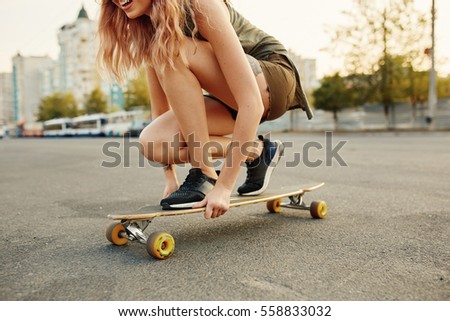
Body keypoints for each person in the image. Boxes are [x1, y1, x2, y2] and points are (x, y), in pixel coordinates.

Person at [97, 0, 312, 219]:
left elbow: (252, 103)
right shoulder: (153, 31)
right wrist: (170, 178)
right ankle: (258, 151)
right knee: (153, 142)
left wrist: (224, 187)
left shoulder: (200, 4)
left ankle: (205, 173)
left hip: (270, 81)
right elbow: (160, 111)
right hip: (229, 97)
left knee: (172, 49)